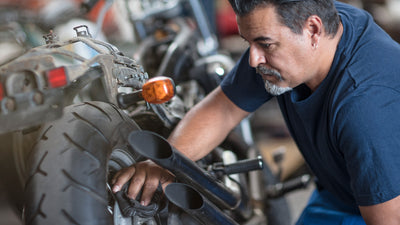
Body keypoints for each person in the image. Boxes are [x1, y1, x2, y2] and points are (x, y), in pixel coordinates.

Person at [112, 0, 400, 224]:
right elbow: (223, 108)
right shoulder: (313, 28)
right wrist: (165, 162)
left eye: (264, 44)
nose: (253, 59)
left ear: (313, 30)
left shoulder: (364, 110)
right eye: (249, 42)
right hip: (342, 192)